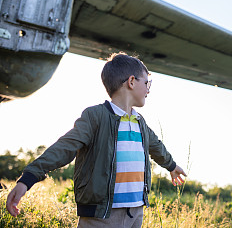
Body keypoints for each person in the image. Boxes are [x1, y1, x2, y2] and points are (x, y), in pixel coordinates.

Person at [6, 53, 187, 227]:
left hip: (136, 211)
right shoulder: (96, 116)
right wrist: (28, 178)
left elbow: (155, 146)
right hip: (102, 215)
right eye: (147, 83)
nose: (148, 89)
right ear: (132, 82)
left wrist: (171, 166)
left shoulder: (139, 121)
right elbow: (65, 147)